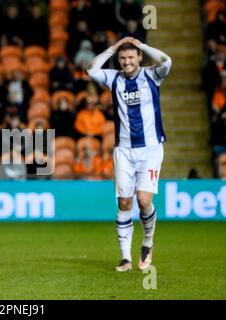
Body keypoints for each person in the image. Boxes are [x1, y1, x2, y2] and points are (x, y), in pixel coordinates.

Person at [87, 37, 172, 272]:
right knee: (124, 202)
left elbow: (167, 60)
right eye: (122, 58)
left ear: (139, 58)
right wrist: (113, 48)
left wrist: (141, 44)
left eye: (131, 57)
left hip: (151, 148)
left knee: (144, 200)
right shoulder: (114, 78)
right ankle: (125, 258)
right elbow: (91, 69)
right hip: (123, 150)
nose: (126, 62)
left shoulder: (152, 75)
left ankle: (147, 242)